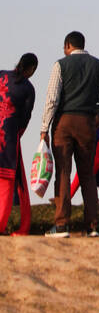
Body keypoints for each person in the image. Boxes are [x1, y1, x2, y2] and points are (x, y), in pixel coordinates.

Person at [40, 31, 99, 238]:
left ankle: (61, 225)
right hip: (88, 122)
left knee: (63, 172)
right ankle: (92, 226)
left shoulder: (60, 65)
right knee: (88, 174)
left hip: (64, 121)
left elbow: (52, 98)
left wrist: (44, 127)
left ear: (68, 45)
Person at [0, 54, 38, 235]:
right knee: (6, 181)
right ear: (31, 69)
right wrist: (16, 135)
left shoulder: (2, 75)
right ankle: (0, 225)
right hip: (8, 138)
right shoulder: (28, 88)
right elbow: (25, 119)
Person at [69, 105, 99, 234]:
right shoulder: (95, 130)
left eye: (93, 116)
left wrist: (91, 172)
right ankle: (66, 198)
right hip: (93, 166)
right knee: (78, 181)